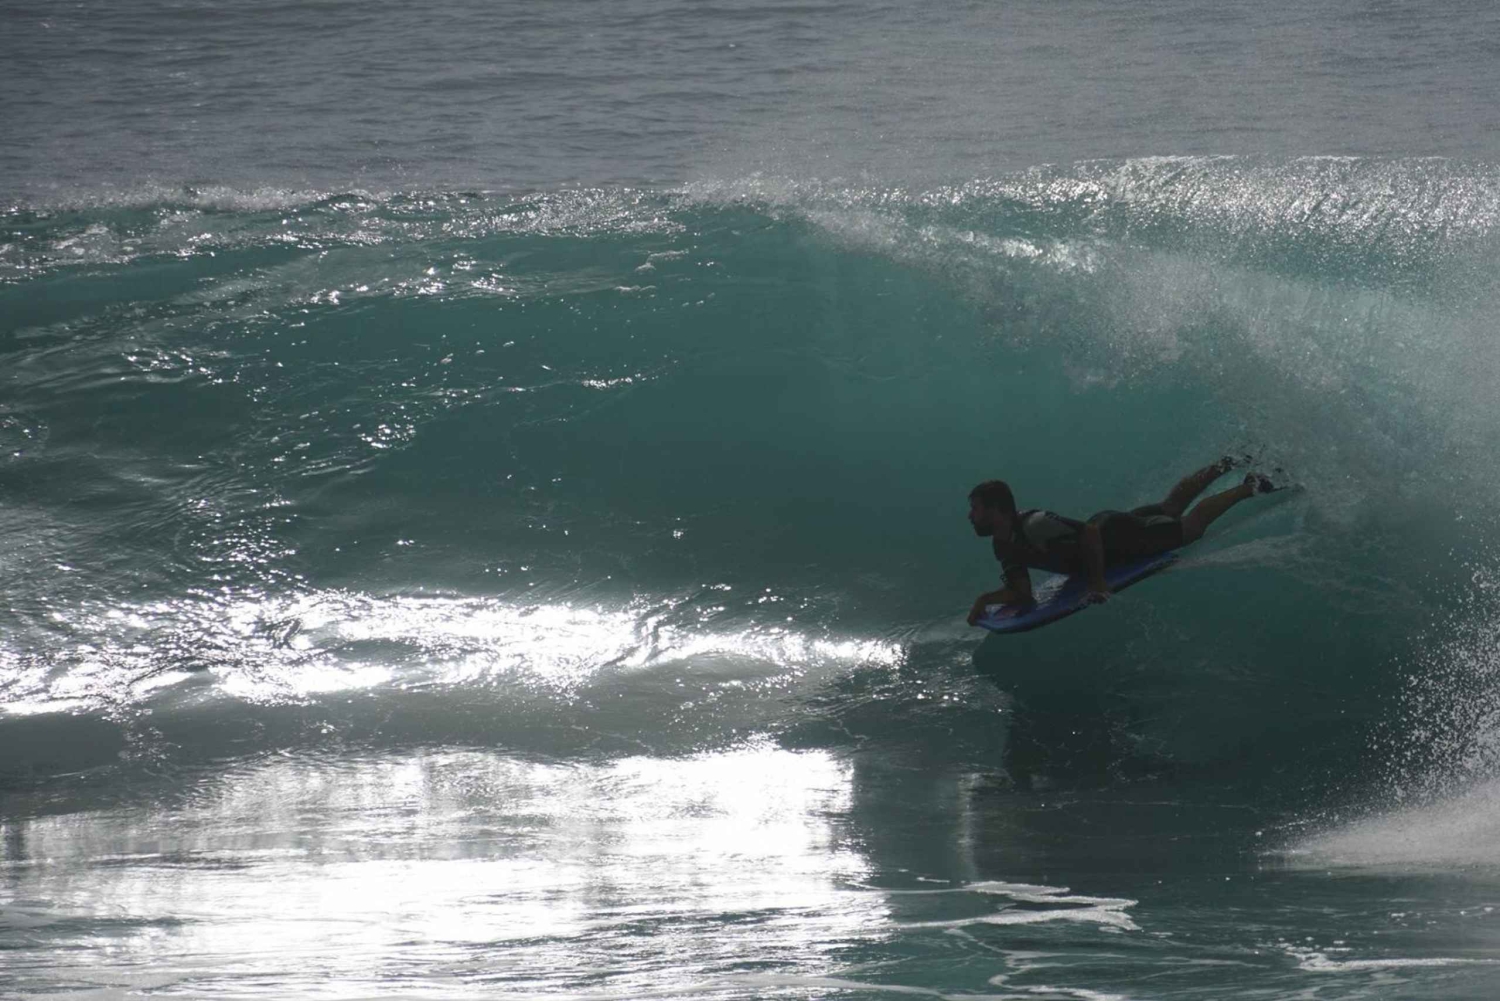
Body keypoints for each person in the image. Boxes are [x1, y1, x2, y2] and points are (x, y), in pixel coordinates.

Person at [966, 456, 1280, 624]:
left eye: (975, 509)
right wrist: (985, 601)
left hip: (1116, 535)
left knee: (1189, 528)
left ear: (996, 510)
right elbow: (1023, 594)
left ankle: (1250, 485)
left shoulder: (1033, 524)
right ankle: (1229, 460)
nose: (970, 516)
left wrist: (1098, 581)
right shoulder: (1002, 544)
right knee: (1169, 507)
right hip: (1112, 535)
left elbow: (1088, 533)